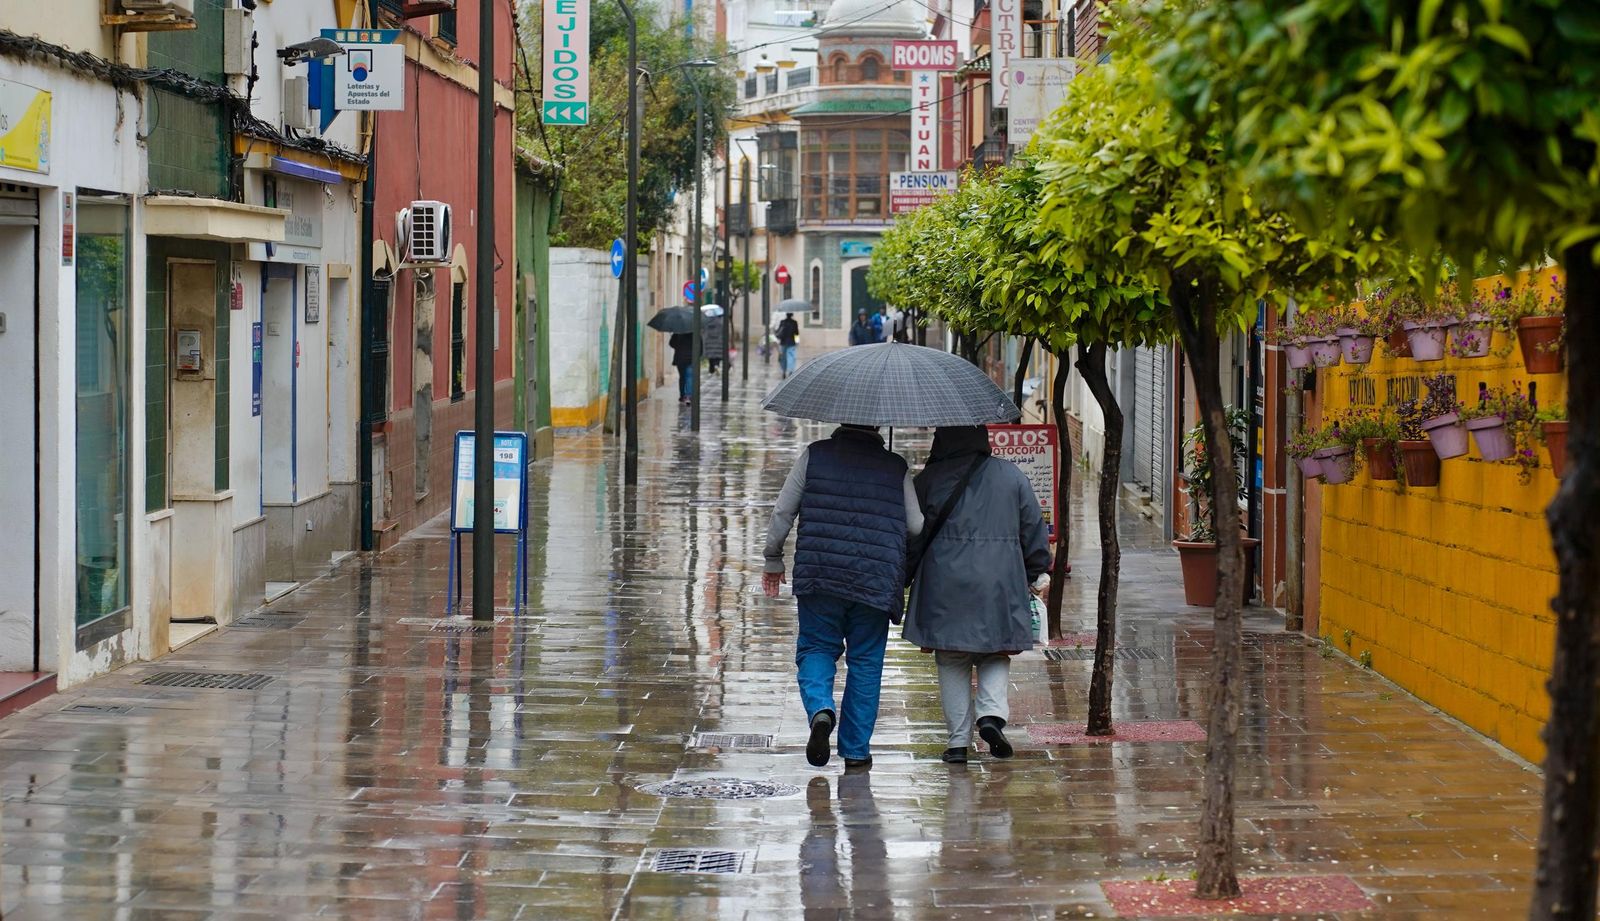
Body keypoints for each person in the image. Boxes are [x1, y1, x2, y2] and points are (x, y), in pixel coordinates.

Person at [764, 425, 925, 771]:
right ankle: (855, 750)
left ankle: (821, 709)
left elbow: (782, 512)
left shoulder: (814, 455)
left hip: (820, 571)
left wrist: (772, 558)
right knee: (866, 661)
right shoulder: (895, 465)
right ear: (878, 425)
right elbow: (915, 525)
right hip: (875, 578)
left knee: (817, 647)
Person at [903, 425, 1051, 764]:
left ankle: (957, 743)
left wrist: (902, 577)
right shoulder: (1011, 476)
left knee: (951, 658)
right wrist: (1034, 569)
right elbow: (1033, 527)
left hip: (943, 583)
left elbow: (912, 534)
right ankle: (990, 717)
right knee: (995, 653)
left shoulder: (928, 479)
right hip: (999, 581)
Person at [669, 332, 694, 403]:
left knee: (682, 377)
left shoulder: (678, 332)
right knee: (689, 376)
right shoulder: (694, 332)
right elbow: (700, 346)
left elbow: (671, 343)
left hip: (680, 358)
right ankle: (688, 395)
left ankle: (682, 396)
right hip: (691, 358)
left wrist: (678, 345)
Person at [776, 312, 801, 377]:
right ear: (792, 315)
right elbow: (797, 333)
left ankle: (784, 371)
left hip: (783, 342)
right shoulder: (794, 322)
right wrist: (797, 341)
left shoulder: (782, 322)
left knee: (783, 357)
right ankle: (790, 371)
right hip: (791, 342)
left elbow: (779, 332)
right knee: (791, 357)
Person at [704, 310, 726, 375]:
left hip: (709, 343)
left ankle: (711, 370)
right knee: (717, 356)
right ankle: (717, 365)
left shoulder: (706, 322)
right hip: (718, 342)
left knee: (711, 357)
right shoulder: (720, 322)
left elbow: (705, 332)